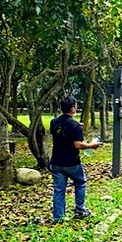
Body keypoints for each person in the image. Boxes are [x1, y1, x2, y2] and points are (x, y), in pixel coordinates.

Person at [48, 96, 102, 224]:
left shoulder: (53, 122)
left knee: (59, 190)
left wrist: (77, 126)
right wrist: (92, 145)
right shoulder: (75, 126)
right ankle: (80, 210)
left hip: (56, 161)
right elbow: (78, 144)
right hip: (71, 162)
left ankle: (58, 217)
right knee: (80, 182)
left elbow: (62, 132)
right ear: (73, 109)